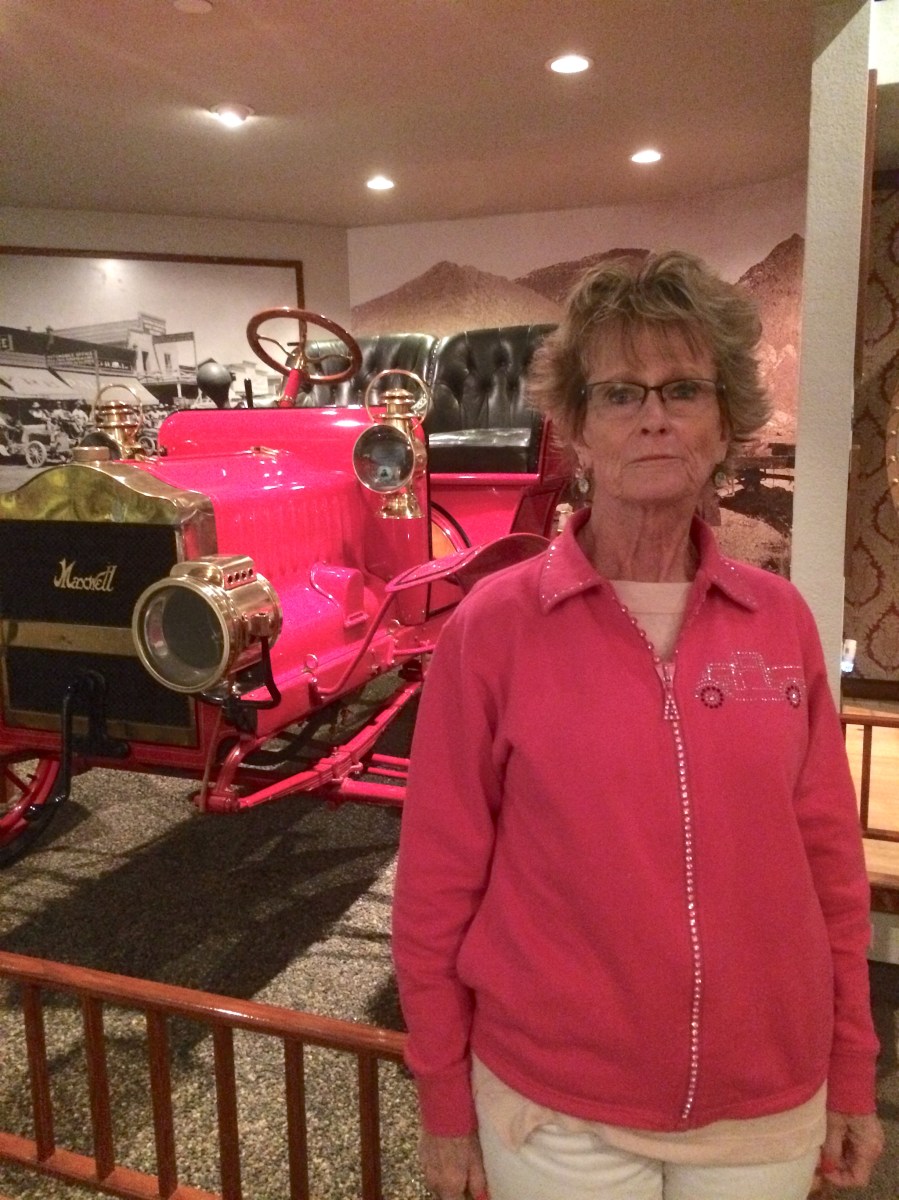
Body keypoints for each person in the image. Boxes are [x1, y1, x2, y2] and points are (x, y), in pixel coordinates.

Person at [391, 250, 884, 1200]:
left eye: (683, 389)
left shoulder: (780, 622)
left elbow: (830, 867)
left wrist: (853, 1068)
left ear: (724, 422)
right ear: (575, 427)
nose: (654, 416)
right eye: (620, 393)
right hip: (555, 1105)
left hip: (762, 1097)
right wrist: (443, 1097)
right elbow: (435, 887)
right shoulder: (493, 629)